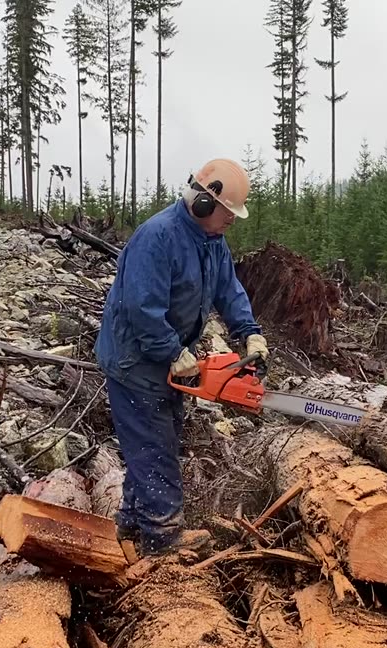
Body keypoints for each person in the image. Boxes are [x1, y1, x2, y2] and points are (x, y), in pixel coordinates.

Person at [94, 158, 269, 556]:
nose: (232, 221)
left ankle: (131, 525)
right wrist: (172, 351)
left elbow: (229, 290)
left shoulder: (212, 242)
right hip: (135, 361)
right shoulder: (157, 237)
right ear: (204, 204)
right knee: (155, 451)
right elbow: (142, 308)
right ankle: (162, 542)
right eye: (228, 213)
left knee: (157, 443)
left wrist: (250, 332)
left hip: (166, 359)